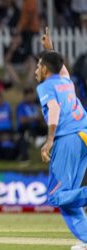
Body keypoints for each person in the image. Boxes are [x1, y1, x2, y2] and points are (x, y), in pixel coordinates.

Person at [37, 27, 87, 250]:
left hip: (67, 140)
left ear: (46, 69)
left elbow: (54, 108)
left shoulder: (46, 85)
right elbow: (62, 69)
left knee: (56, 197)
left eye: (39, 65)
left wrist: (49, 140)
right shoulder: (66, 81)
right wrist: (50, 49)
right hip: (84, 134)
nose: (36, 69)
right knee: (68, 200)